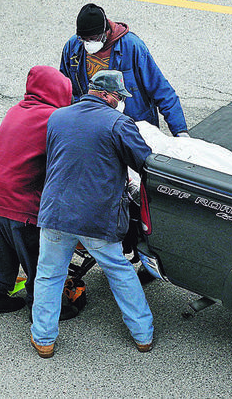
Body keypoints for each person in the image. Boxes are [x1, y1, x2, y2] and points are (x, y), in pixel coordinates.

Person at [30, 70, 154, 358]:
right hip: (96, 217)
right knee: (119, 272)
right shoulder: (119, 123)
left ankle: (44, 340)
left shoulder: (58, 117)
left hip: (56, 213)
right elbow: (144, 161)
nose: (121, 101)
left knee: (49, 275)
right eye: (120, 97)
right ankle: (143, 335)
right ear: (108, 95)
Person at [0, 65, 75, 319]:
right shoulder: (54, 119)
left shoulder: (16, 110)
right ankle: (39, 307)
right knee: (38, 255)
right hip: (18, 200)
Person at [60, 3, 189, 137]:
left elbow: (161, 90)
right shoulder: (73, 47)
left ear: (106, 32)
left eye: (93, 39)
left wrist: (180, 131)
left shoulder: (132, 47)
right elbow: (64, 90)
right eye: (83, 39)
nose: (88, 44)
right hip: (94, 129)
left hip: (133, 129)